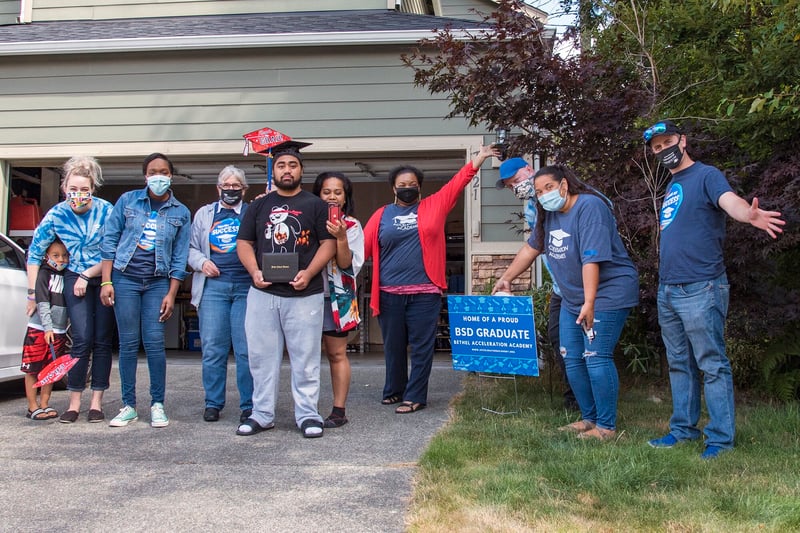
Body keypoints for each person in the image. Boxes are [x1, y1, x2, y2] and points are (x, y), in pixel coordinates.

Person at [643, 120, 785, 459]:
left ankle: (720, 439)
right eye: (657, 148)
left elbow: (729, 201)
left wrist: (747, 215)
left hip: (701, 286)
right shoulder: (672, 186)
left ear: (682, 140)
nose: (664, 150)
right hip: (669, 288)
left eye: (667, 143)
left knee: (711, 364)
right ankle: (683, 430)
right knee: (679, 363)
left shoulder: (706, 175)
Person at [493, 164, 639, 440]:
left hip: (607, 293)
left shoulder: (590, 207)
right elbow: (531, 248)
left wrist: (590, 301)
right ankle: (589, 418)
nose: (544, 194)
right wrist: (506, 277)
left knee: (596, 357)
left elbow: (591, 259)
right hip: (572, 296)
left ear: (564, 184)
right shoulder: (547, 215)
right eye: (538, 191)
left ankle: (606, 427)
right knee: (571, 357)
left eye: (548, 187)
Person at [363, 144, 500, 414]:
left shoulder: (434, 205)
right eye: (402, 184)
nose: (407, 187)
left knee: (422, 347)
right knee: (393, 346)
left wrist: (480, 157)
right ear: (393, 188)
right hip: (389, 292)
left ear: (420, 187)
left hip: (424, 293)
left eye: (412, 184)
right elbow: (361, 248)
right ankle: (394, 389)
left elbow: (458, 182)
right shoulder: (381, 215)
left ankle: (415, 396)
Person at [236, 142, 336, 438]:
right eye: (281, 165)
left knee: (305, 359)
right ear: (274, 171)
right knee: (261, 358)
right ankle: (262, 414)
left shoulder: (316, 205)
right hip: (263, 293)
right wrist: (254, 271)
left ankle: (307, 415)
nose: (287, 170)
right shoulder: (259, 205)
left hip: (305, 294)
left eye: (292, 165)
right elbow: (244, 243)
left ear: (301, 170)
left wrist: (309, 272)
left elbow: (328, 244)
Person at [100, 153, 191, 428]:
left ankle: (157, 404)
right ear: (145, 176)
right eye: (153, 171)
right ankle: (128, 405)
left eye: (164, 171)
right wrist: (106, 281)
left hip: (157, 282)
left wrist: (172, 293)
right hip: (124, 278)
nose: (158, 176)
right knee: (127, 344)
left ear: (171, 176)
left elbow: (180, 256)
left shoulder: (181, 212)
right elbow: (110, 240)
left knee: (154, 343)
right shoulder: (128, 201)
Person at [26, 155, 115, 423]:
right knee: (81, 338)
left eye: (84, 190)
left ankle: (97, 402)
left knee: (102, 340)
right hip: (73, 277)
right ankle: (74, 402)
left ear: (92, 190)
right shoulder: (56, 214)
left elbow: (115, 250)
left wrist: (89, 275)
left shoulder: (105, 210)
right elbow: (34, 254)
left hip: (104, 274)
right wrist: (32, 293)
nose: (79, 195)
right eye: (73, 189)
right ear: (65, 189)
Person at [495, 157, 579, 411]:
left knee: (583, 345)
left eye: (517, 181)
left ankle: (590, 403)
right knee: (558, 338)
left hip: (583, 286)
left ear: (530, 170)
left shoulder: (575, 201)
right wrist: (506, 278)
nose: (516, 188)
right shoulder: (534, 209)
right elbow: (535, 245)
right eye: (510, 186)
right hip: (560, 288)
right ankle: (574, 398)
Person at [188, 165, 254, 424]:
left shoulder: (251, 213)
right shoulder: (205, 214)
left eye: (236, 186)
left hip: (246, 288)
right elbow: (191, 247)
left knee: (246, 350)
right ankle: (213, 403)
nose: (230, 190)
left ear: (244, 189)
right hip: (212, 288)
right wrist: (202, 262)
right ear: (218, 188)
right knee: (213, 348)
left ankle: (249, 404)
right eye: (226, 186)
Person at [312, 171, 365, 428]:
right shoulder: (306, 222)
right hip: (305, 295)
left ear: (345, 197)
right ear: (317, 194)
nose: (332, 196)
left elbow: (346, 265)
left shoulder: (353, 226)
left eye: (337, 192)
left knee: (337, 354)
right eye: (326, 191)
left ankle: (338, 410)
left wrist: (341, 236)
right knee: (305, 355)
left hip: (338, 297)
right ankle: (306, 409)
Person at [20, 239, 70, 420]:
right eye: (56, 255)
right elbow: (42, 302)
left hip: (59, 330)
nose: (61, 259)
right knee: (33, 368)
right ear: (46, 256)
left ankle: (44, 403)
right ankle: (32, 406)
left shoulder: (67, 276)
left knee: (50, 369)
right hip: (40, 328)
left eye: (64, 255)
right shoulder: (44, 274)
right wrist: (47, 328)